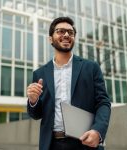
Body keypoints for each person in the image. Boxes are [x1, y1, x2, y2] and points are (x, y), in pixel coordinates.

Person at [27, 16, 111, 150]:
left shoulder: (91, 68)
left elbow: (103, 103)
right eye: (60, 31)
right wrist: (33, 100)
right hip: (51, 144)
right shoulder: (40, 74)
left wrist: (98, 131)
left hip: (85, 142)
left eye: (70, 32)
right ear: (50, 39)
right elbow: (36, 114)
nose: (66, 34)